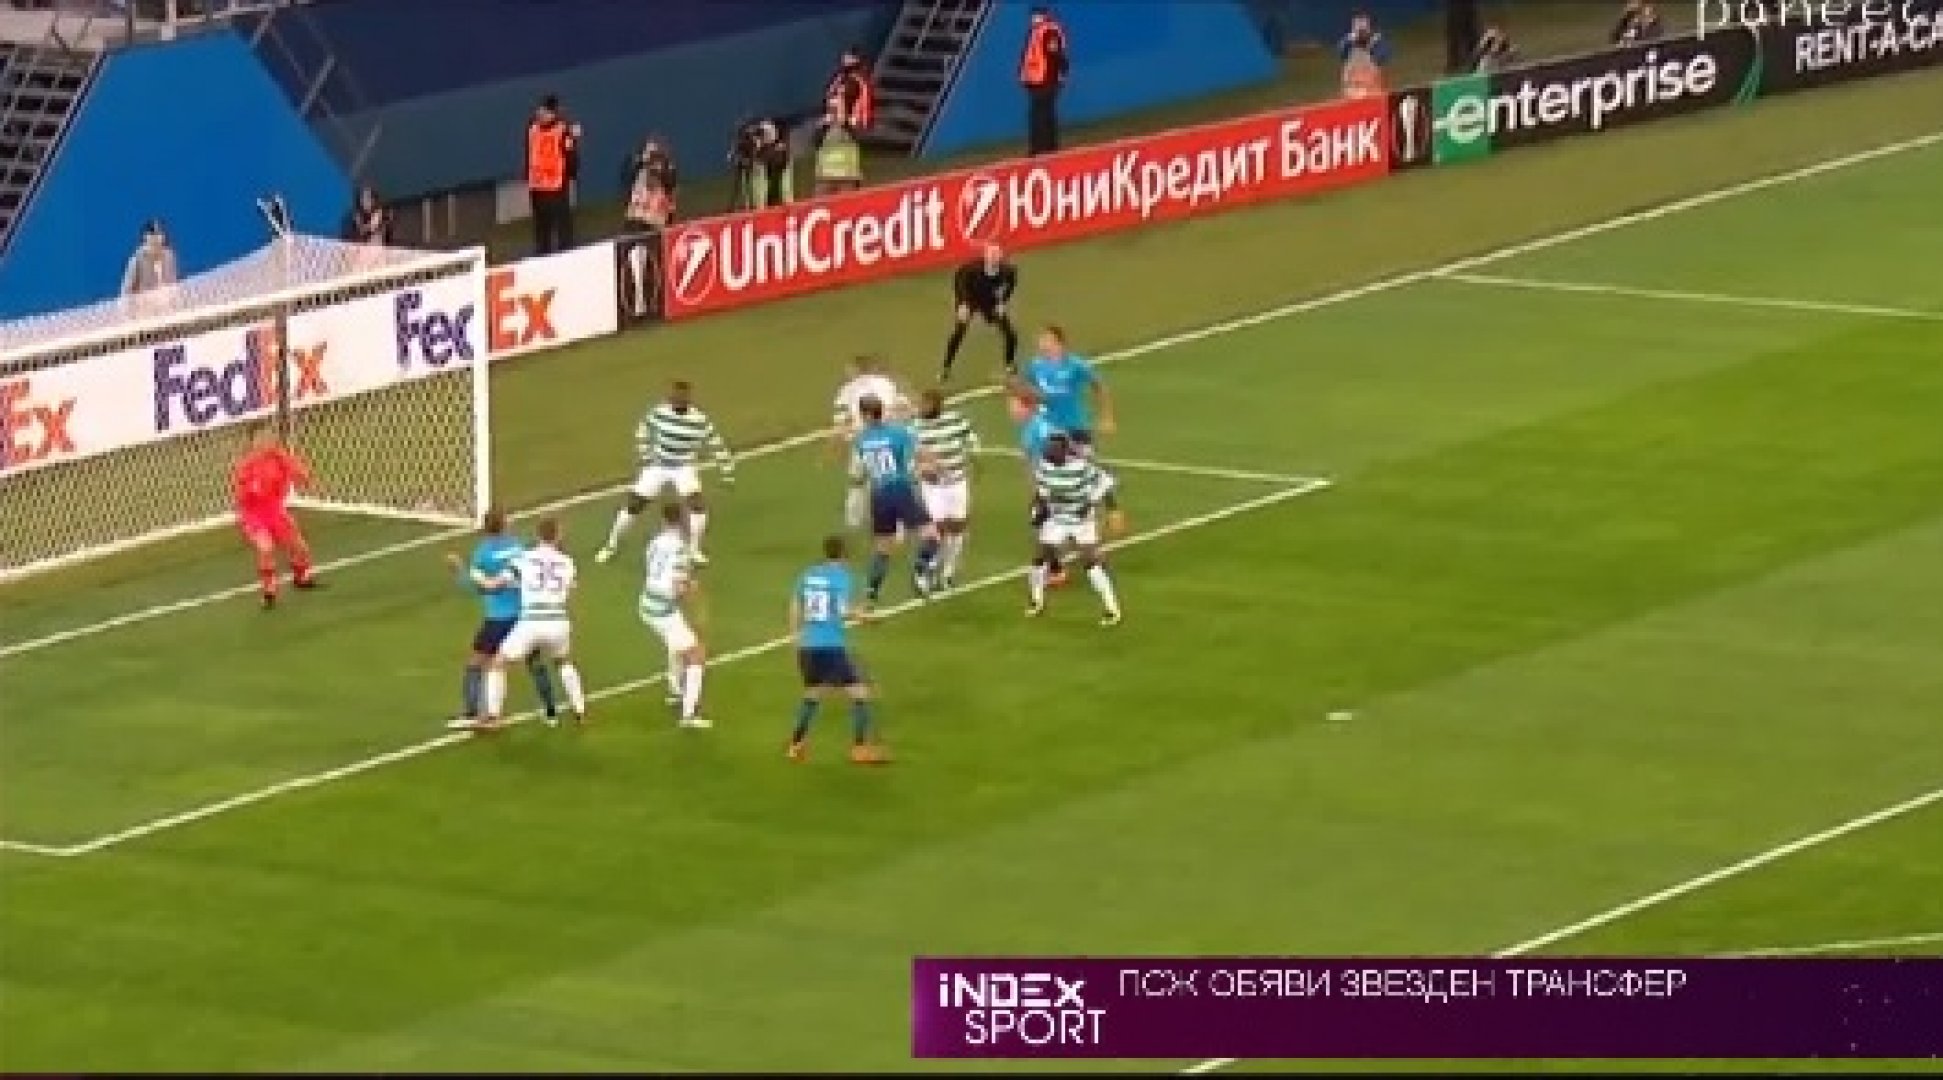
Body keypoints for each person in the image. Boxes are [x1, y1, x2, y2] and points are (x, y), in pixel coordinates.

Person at [598, 380, 736, 566]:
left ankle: (694, 550)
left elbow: (715, 443)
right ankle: (611, 545)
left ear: (687, 399)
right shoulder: (659, 412)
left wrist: (727, 471)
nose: (675, 400)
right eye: (674, 397)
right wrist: (645, 455)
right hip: (659, 465)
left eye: (680, 397)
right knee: (634, 505)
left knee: (697, 506)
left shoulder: (699, 420)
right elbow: (642, 430)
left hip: (683, 467)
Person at [444, 508, 560, 729]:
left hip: (498, 619)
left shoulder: (482, 554)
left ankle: (471, 712)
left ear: (485, 528)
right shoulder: (518, 547)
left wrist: (459, 571)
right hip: (524, 615)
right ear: (505, 524)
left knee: (476, 663)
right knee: (534, 662)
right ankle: (550, 710)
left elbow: (477, 588)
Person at [471, 518, 588, 730]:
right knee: (564, 662)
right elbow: (571, 589)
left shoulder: (523, 558)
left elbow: (494, 585)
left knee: (498, 663)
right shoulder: (568, 562)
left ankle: (493, 717)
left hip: (531, 622)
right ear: (558, 536)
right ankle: (580, 711)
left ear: (538, 535)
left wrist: (476, 576)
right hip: (558, 621)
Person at [788, 533, 889, 765]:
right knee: (860, 693)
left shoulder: (808, 574)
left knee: (813, 693)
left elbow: (795, 605)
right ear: (844, 554)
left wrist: (795, 637)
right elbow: (843, 611)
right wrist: (867, 618)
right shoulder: (841, 577)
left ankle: (795, 745)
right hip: (830, 646)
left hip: (808, 646)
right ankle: (859, 749)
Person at [851, 396, 942, 604]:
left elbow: (859, 475)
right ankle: (920, 570)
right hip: (900, 489)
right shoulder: (898, 433)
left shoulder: (860, 440)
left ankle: (871, 592)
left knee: (883, 547)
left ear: (865, 415)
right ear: (880, 411)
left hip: (878, 495)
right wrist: (933, 467)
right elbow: (918, 455)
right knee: (932, 536)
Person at [1029, 432, 1125, 626]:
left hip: (1082, 521)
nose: (1049, 451)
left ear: (1064, 451)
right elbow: (1042, 491)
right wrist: (1037, 509)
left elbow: (1107, 481)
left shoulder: (1081, 467)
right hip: (1057, 518)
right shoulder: (1043, 466)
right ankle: (1036, 601)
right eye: (1049, 447)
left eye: (1054, 448)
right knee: (1040, 557)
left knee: (1091, 562)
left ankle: (1112, 609)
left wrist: (1094, 504)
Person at [233, 423, 319, 609]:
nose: (265, 441)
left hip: (276, 511)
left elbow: (297, 470)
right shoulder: (246, 466)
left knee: (300, 547)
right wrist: (251, 490)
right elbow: (240, 497)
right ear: (252, 443)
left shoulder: (279, 457)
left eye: (268, 437)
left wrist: (304, 477)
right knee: (266, 548)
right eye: (260, 438)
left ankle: (301, 578)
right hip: (254, 516)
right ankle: (269, 592)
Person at [638, 503, 708, 728]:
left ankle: (675, 690)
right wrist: (691, 590)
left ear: (664, 520)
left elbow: (653, 571)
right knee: (696, 654)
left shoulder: (654, 543)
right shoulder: (681, 549)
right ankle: (688, 715)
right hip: (662, 610)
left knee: (677, 641)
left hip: (646, 602)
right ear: (683, 520)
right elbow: (678, 586)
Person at [829, 355, 910, 528]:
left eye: (849, 370)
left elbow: (841, 421)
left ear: (856, 370)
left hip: (864, 440)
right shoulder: (886, 383)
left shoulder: (847, 390)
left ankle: (854, 520)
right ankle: (898, 521)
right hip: (889, 439)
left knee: (857, 481)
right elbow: (904, 407)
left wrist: (838, 443)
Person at [912, 387, 980, 589]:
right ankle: (928, 567)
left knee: (957, 527)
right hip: (933, 486)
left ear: (937, 405)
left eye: (925, 404)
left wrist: (973, 458)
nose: (921, 408)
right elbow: (910, 455)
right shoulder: (915, 427)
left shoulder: (956, 420)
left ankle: (948, 572)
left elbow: (972, 440)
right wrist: (921, 470)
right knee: (937, 528)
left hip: (957, 482)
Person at [1017, 325, 1114, 451]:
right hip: (1049, 427)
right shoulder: (1035, 366)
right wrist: (1021, 403)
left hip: (1075, 427)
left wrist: (1107, 418)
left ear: (1059, 343)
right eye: (1041, 340)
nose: (1043, 344)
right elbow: (1024, 389)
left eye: (1047, 340)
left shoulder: (1075, 364)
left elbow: (1099, 386)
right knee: (1041, 459)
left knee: (1082, 462)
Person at [942, 243, 1020, 382]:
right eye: (991, 254)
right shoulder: (971, 269)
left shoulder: (1008, 271)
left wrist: (1002, 302)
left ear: (1001, 256)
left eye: (997, 254)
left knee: (1011, 334)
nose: (994, 257)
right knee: (959, 332)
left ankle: (1009, 364)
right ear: (985, 256)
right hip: (969, 299)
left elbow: (1010, 285)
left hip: (989, 301)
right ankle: (946, 368)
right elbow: (959, 282)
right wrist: (963, 304)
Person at [526, 94, 581, 254]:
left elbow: (571, 155)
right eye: (539, 110)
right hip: (537, 187)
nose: (540, 114)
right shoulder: (532, 128)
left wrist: (571, 173)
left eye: (544, 111)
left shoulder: (563, 130)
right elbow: (529, 152)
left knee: (563, 229)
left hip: (556, 187)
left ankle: (566, 255)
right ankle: (542, 255)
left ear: (552, 113)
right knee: (542, 230)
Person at [1019, 5, 1069, 155]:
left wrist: (1060, 74)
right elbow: (1028, 55)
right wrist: (1024, 76)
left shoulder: (1049, 31)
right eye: (1033, 15)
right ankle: (1045, 147)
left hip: (1047, 80)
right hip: (1036, 81)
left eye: (1036, 15)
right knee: (1041, 114)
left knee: (1042, 115)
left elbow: (1055, 54)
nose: (1033, 18)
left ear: (1044, 15)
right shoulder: (1035, 31)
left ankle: (1043, 148)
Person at [120, 219, 178, 306]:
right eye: (152, 233)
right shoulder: (137, 260)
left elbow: (173, 283)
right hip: (144, 308)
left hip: (166, 306)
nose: (156, 237)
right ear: (145, 237)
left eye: (159, 233)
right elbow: (126, 293)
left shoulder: (169, 256)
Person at [1338, 12, 1392, 99]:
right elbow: (1342, 52)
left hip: (1373, 88)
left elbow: (1380, 58)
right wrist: (1352, 40)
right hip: (1353, 89)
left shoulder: (1378, 42)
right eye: (1357, 28)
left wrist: (1369, 45)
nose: (1360, 32)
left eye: (1363, 28)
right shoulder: (1348, 42)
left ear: (1370, 28)